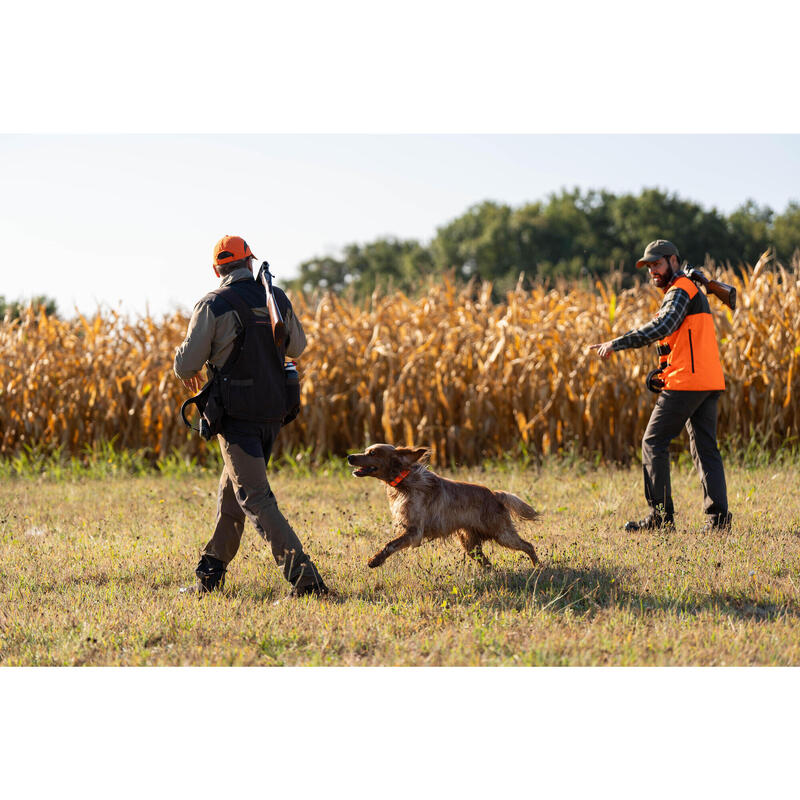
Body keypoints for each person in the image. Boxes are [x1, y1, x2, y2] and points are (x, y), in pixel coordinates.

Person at [174, 235, 328, 596]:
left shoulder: (212, 303)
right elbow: (298, 348)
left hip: (236, 416)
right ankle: (209, 576)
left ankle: (307, 581)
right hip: (274, 412)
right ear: (248, 263)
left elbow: (187, 364)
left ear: (217, 269)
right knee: (233, 492)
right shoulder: (275, 299)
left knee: (255, 497)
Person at [588, 239, 732, 533]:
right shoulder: (686, 289)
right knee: (705, 448)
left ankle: (660, 518)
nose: (652, 270)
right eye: (649, 266)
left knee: (653, 442)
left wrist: (618, 342)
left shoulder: (680, 290)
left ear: (674, 261)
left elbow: (662, 326)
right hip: (706, 379)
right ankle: (718, 520)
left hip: (687, 381)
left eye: (657, 263)